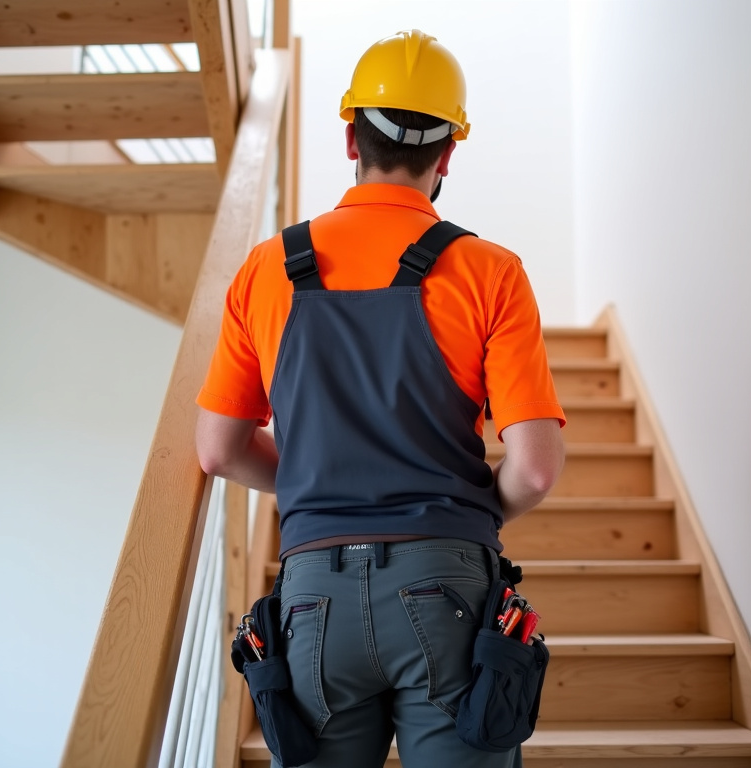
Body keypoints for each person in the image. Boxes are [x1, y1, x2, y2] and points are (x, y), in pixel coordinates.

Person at [194, 29, 565, 768]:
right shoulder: (489, 270)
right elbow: (534, 471)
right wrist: (459, 510)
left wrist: (308, 482)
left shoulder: (267, 269)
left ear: (348, 137)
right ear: (448, 154)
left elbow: (218, 448)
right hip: (448, 587)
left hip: (310, 598)